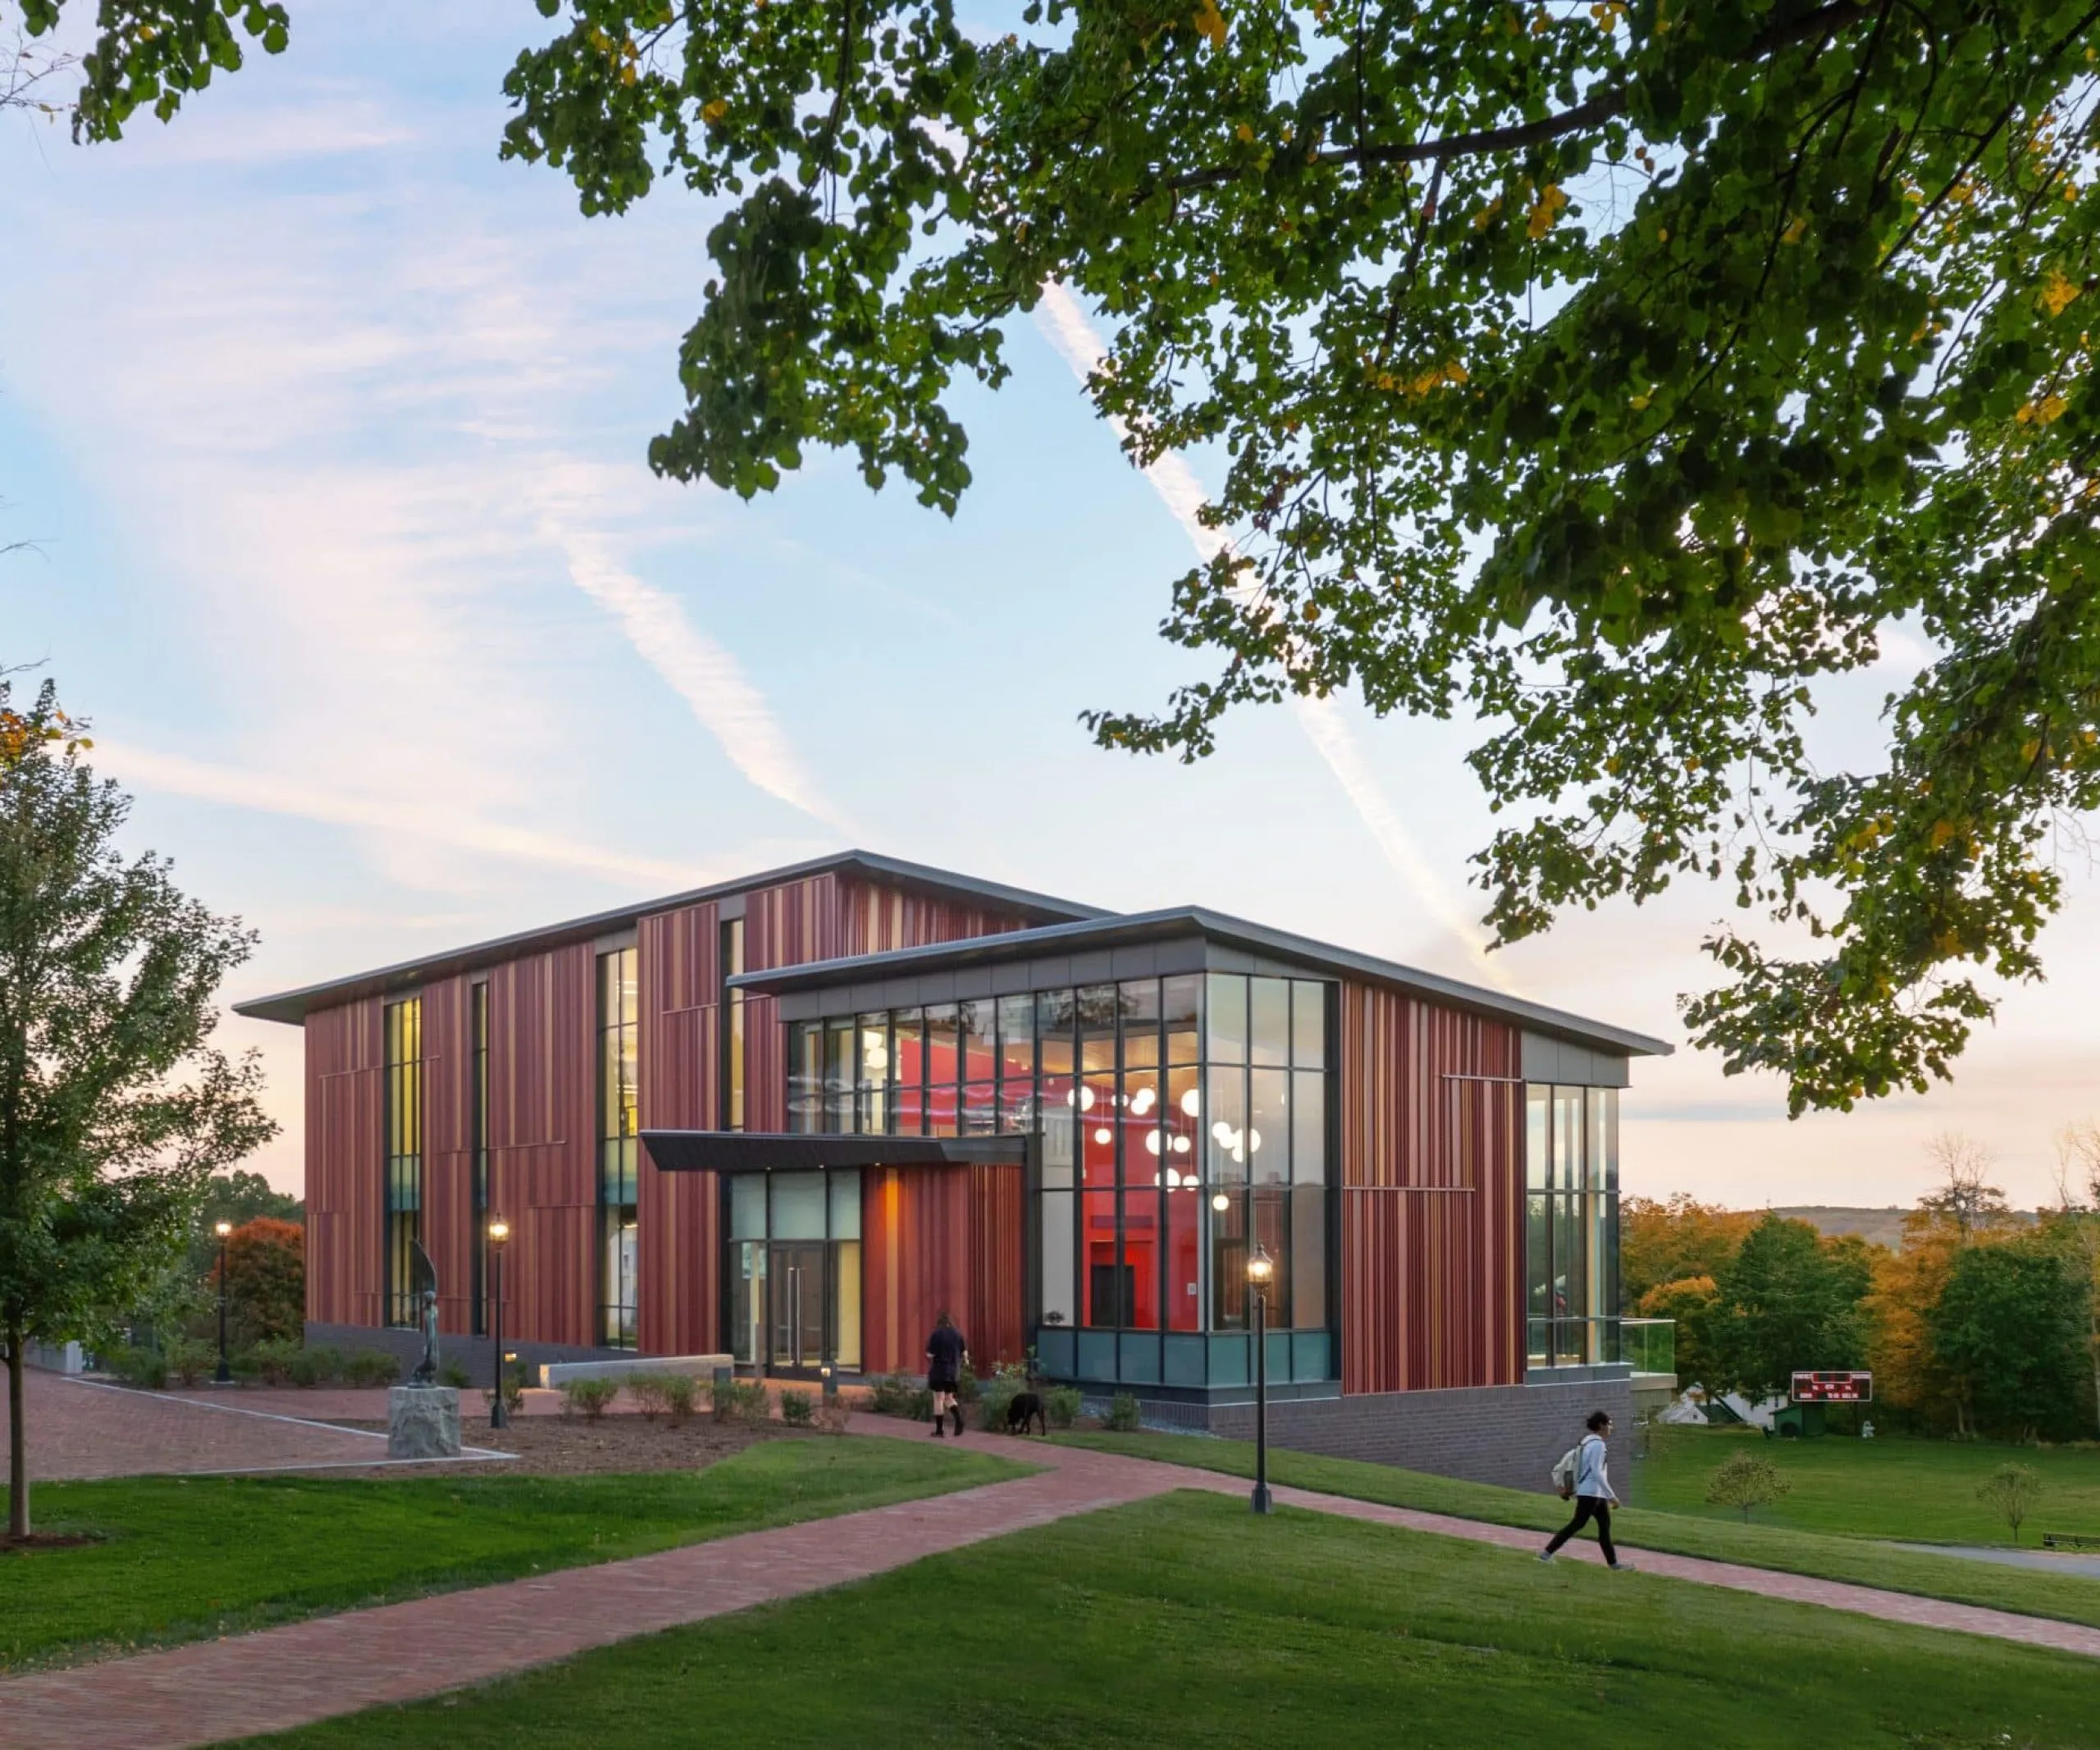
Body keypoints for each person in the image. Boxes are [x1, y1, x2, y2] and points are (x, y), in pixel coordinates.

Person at [1540, 1409, 1635, 1571]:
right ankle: (1546, 1554)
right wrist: (1612, 1497)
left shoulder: (1585, 1444)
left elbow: (1563, 1467)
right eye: (1609, 1424)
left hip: (1593, 1494)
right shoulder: (1598, 1445)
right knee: (1577, 1524)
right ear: (1601, 1425)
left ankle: (1614, 1564)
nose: (1611, 1428)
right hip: (1591, 1494)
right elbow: (1597, 1472)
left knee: (1603, 1526)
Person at [924, 1311, 968, 1438]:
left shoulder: (936, 1334)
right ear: (950, 1322)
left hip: (939, 1371)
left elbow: (930, 1354)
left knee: (939, 1399)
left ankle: (939, 1430)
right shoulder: (958, 1333)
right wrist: (963, 1361)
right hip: (953, 1372)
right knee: (949, 1398)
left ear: (940, 1322)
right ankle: (959, 1420)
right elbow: (964, 1354)